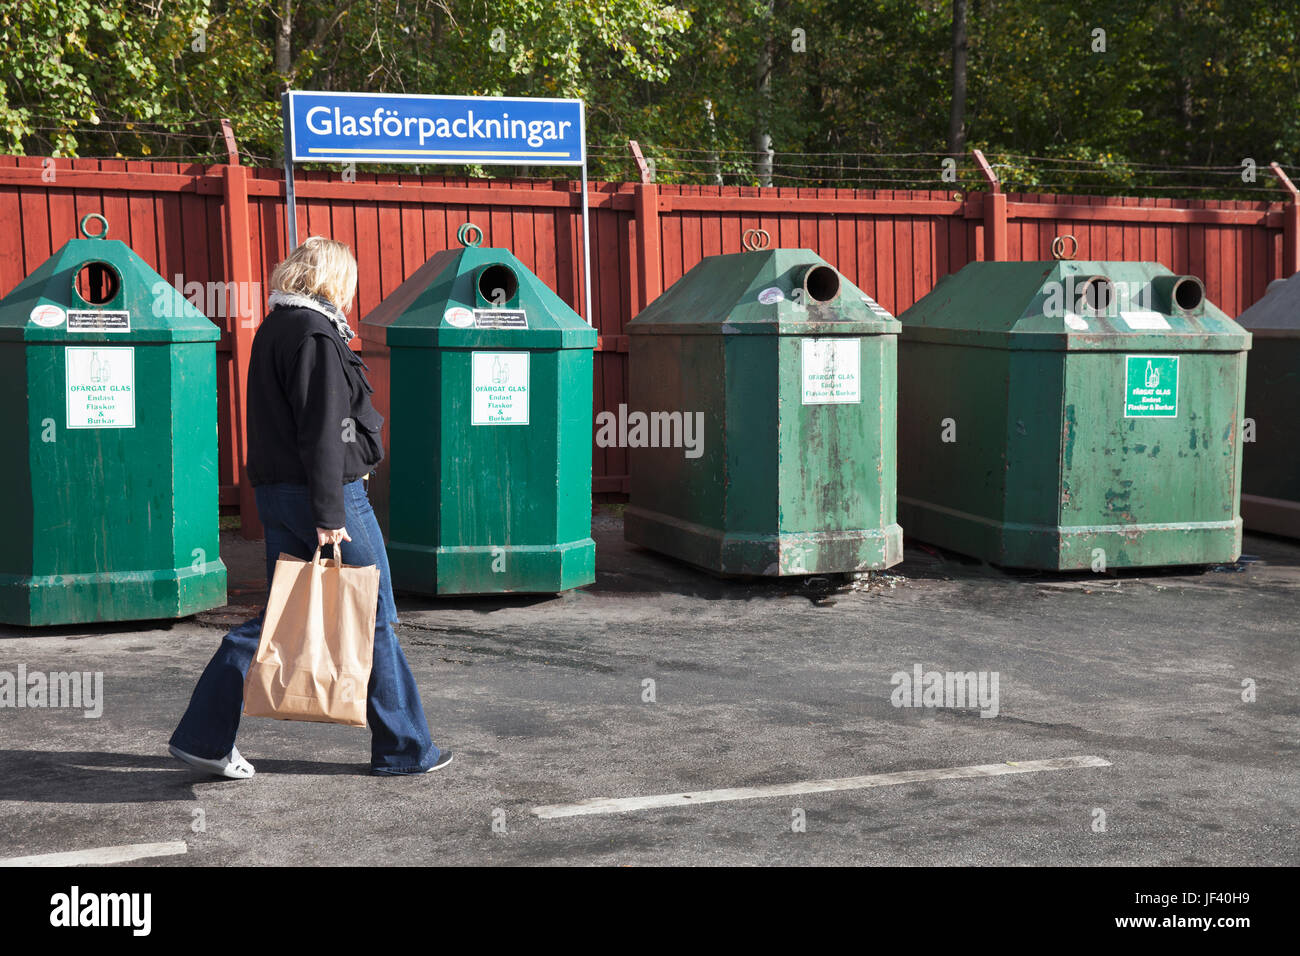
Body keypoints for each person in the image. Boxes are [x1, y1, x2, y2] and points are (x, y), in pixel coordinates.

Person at [168, 236, 451, 778]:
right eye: (349, 279)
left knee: (290, 616)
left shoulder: (278, 326)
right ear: (330, 279)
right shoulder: (316, 333)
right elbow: (322, 431)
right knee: (372, 615)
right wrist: (330, 515)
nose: (352, 291)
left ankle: (206, 736)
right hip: (326, 496)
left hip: (283, 493)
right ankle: (405, 748)